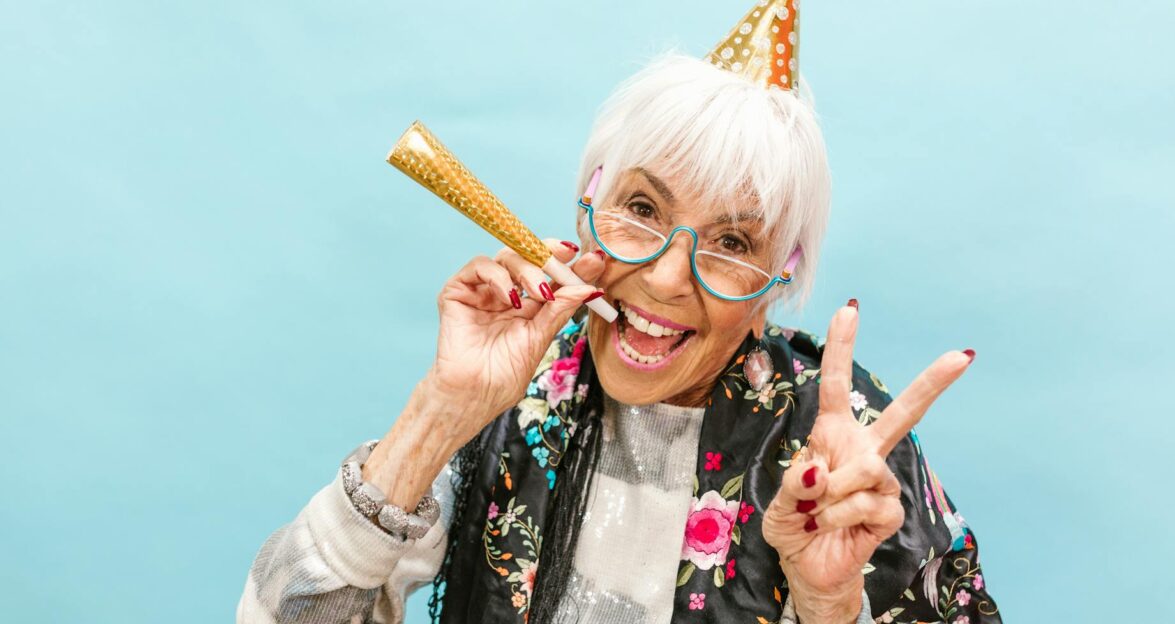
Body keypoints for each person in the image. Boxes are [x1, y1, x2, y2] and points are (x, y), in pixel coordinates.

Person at [238, 2, 1002, 622]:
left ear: (779, 279)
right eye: (640, 207)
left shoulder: (845, 449)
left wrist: (828, 604)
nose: (668, 278)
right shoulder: (524, 389)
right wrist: (439, 415)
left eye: (732, 241)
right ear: (589, 203)